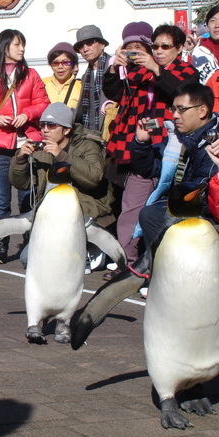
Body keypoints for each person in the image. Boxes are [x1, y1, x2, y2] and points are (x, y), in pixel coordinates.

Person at [103, 23, 199, 273]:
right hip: (141, 147)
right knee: (131, 209)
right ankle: (127, 264)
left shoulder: (187, 71)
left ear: (179, 48)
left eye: (165, 46)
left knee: (167, 213)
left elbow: (180, 92)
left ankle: (163, 266)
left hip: (173, 153)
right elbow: (113, 92)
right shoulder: (139, 72)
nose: (158, 51)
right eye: (154, 46)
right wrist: (115, 67)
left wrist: (157, 69)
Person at [0, 28, 49, 264]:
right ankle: (1, 248)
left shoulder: (31, 75)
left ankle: (28, 244)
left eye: (23, 44)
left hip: (27, 144)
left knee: (27, 198)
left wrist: (28, 113)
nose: (21, 49)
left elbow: (44, 104)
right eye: (16, 44)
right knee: (2, 201)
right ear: (4, 47)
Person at [10, 102, 114, 266]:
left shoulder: (87, 145)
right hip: (54, 218)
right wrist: (20, 159)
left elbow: (94, 178)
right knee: (27, 259)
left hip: (85, 214)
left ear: (66, 130)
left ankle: (90, 247)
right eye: (42, 125)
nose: (45, 130)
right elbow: (22, 184)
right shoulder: (43, 150)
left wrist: (62, 156)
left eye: (51, 125)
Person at [132, 83, 218, 248]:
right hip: (179, 205)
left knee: (151, 215)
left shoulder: (214, 142)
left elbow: (203, 194)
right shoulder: (177, 138)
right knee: (149, 213)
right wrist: (142, 143)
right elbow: (149, 169)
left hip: (204, 215)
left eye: (182, 110)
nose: (176, 116)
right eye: (174, 110)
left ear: (202, 111)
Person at [73, 25, 111, 134]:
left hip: (112, 131)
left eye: (90, 42)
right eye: (81, 46)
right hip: (89, 135)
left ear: (102, 44)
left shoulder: (115, 67)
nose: (85, 49)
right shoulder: (86, 75)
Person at [184, 5, 219, 110]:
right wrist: (187, 51)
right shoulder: (197, 49)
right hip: (206, 111)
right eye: (212, 21)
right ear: (207, 25)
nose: (217, 25)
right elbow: (182, 78)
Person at [42, 42, 82, 109]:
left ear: (73, 65)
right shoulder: (42, 83)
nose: (60, 66)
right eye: (55, 63)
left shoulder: (80, 86)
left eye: (65, 62)